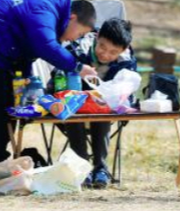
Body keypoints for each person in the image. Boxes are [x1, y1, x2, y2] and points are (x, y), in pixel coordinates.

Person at [0, 0, 98, 167]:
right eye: (80, 33)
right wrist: (78, 67)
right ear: (72, 18)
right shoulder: (44, 10)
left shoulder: (47, 10)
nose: (74, 39)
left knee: (10, 103)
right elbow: (46, 46)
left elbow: (27, 48)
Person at [58, 18, 138, 189]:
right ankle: (82, 167)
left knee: (102, 110)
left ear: (123, 50)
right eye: (102, 46)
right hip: (74, 103)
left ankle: (100, 168)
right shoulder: (78, 49)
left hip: (104, 108)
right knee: (74, 111)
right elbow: (58, 76)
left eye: (113, 52)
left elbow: (128, 89)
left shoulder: (126, 60)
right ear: (97, 36)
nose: (105, 54)